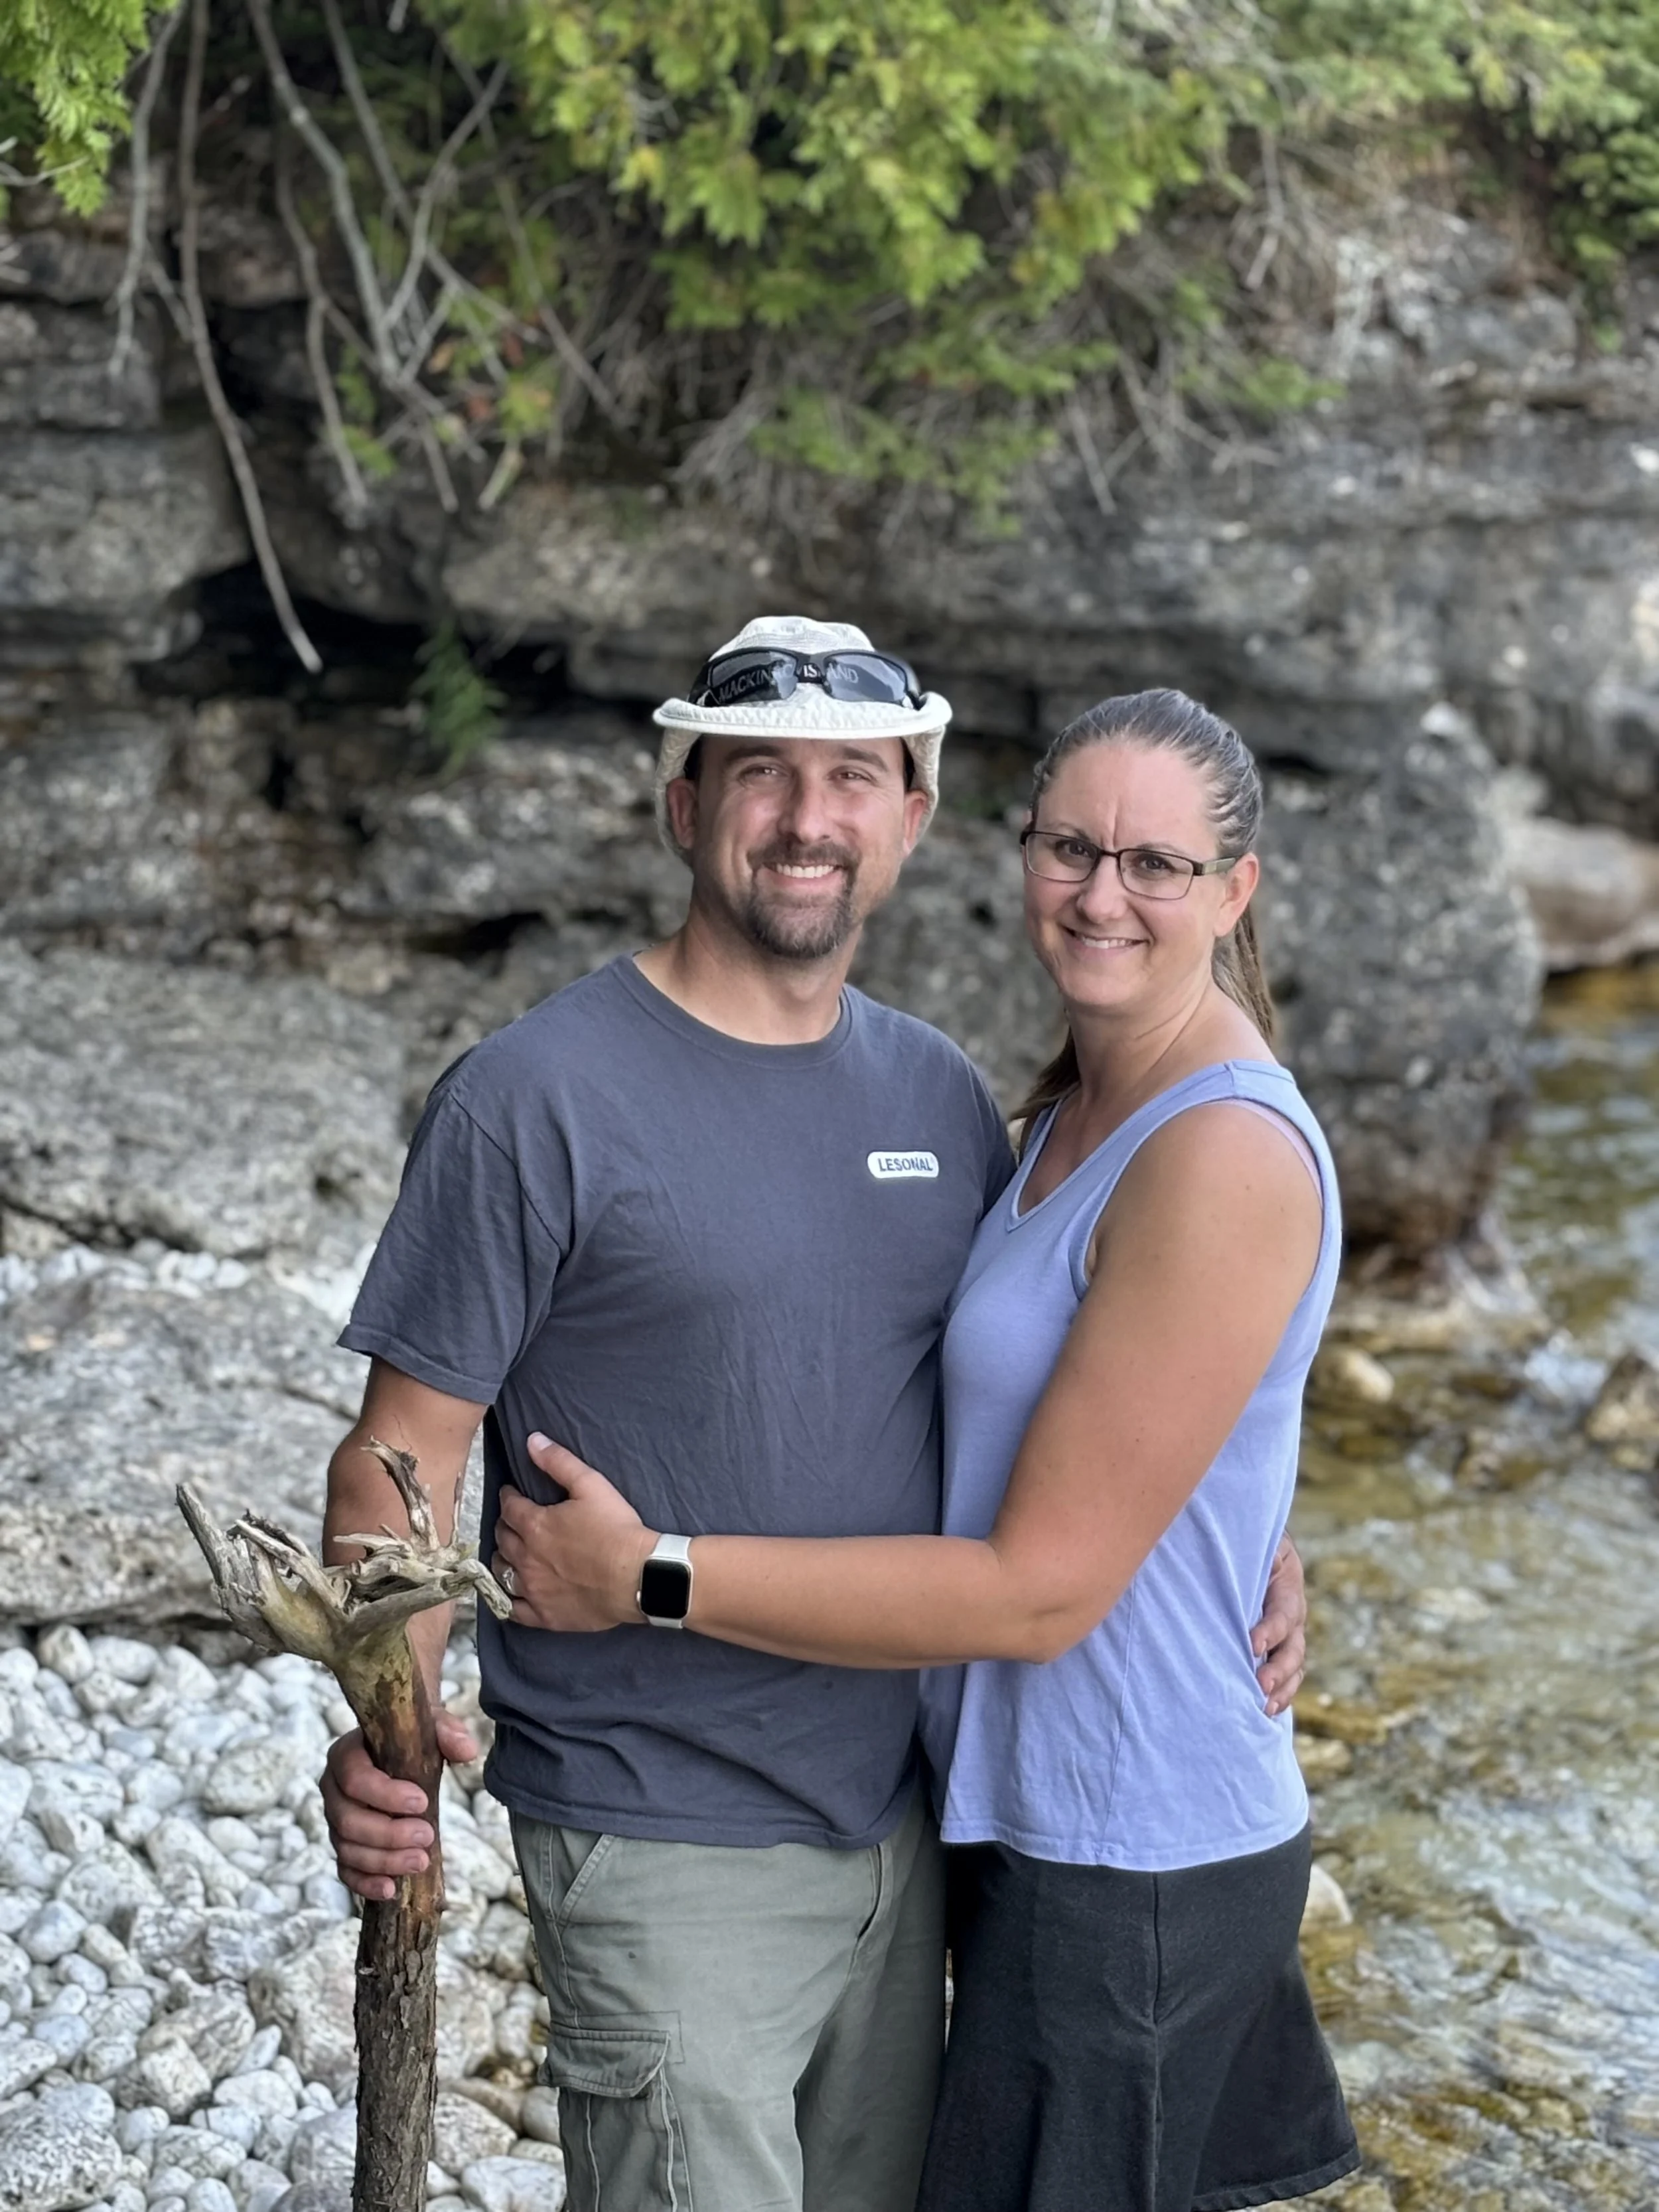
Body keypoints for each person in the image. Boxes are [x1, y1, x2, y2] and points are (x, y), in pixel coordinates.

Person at [319, 630, 1311, 2212]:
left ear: (910, 822)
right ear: (680, 803)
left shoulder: (937, 1098)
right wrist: (384, 1729)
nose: (806, 816)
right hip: (663, 1837)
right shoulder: (532, 1097)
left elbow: (1094, 1369)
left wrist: (1246, 1526)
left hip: (913, 1835)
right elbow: (402, 1450)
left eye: (853, 777)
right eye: (759, 772)